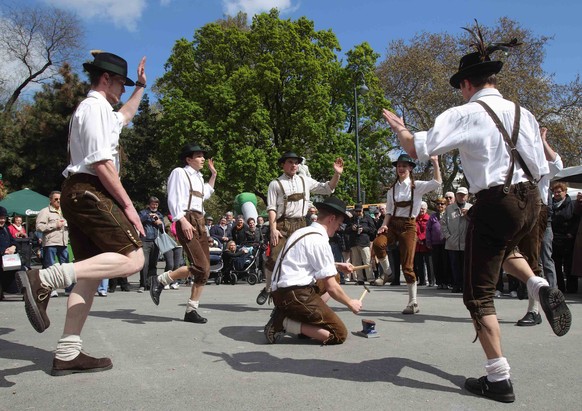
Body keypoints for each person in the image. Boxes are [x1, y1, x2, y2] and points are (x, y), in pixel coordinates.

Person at [382, 24, 571, 402]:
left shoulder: (466, 113)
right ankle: (540, 286)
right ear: (492, 79)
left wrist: (402, 131)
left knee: (478, 295)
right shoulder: (525, 113)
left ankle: (498, 378)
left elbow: (420, 148)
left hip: (496, 201)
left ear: (467, 84)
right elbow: (545, 168)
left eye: (460, 87)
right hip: (532, 201)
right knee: (507, 251)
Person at [17, 51, 147, 375]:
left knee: (89, 276)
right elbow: (102, 163)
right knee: (134, 259)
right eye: (121, 83)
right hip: (90, 189)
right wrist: (130, 207)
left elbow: (126, 116)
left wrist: (141, 88)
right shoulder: (95, 108)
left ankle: (67, 351)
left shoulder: (103, 110)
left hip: (81, 192)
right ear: (106, 79)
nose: (122, 89)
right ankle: (44, 278)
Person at [264, 196, 361, 344]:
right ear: (331, 219)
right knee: (338, 334)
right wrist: (351, 303)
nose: (339, 228)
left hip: (282, 292)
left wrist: (336, 265)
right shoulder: (319, 241)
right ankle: (284, 322)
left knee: (335, 276)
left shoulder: (304, 232)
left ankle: (301, 318)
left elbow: (302, 260)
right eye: (339, 224)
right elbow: (332, 288)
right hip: (294, 294)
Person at [255, 151, 344, 305]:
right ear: (283, 164)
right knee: (274, 258)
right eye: (290, 162)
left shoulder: (305, 180)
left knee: (303, 260)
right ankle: (268, 288)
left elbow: (327, 188)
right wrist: (273, 229)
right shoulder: (275, 184)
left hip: (301, 224)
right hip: (282, 224)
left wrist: (337, 174)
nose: (294, 165)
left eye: (296, 162)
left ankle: (299, 295)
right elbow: (271, 209)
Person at [149, 143, 217, 324]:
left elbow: (207, 193)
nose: (203, 158)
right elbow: (172, 198)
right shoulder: (180, 172)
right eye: (199, 155)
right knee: (201, 266)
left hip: (200, 222)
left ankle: (191, 310)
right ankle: (161, 280)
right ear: (189, 159)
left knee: (205, 270)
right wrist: (181, 219)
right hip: (186, 219)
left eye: (203, 155)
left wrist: (213, 175)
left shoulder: (198, 178)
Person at [371, 153, 441, 314]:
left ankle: (413, 302)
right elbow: (388, 211)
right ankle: (388, 273)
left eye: (404, 166)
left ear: (410, 168)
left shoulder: (417, 186)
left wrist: (435, 162)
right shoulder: (392, 189)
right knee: (378, 243)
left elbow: (437, 182)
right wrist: (383, 225)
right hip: (393, 224)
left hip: (409, 225)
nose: (401, 168)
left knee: (407, 265)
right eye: (398, 166)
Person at [516, 127, 563, 326]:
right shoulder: (516, 161)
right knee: (515, 255)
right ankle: (537, 295)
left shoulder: (541, 163)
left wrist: (542, 140)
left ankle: (536, 309)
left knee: (534, 258)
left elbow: (558, 165)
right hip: (519, 210)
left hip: (537, 210)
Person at [36, 191, 70, 297]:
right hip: (51, 243)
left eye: (60, 199)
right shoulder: (45, 212)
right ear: (50, 200)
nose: (58, 201)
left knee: (66, 266)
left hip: (63, 242)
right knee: (50, 267)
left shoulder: (64, 211)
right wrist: (55, 224)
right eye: (56, 199)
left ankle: (69, 288)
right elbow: (39, 227)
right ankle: (52, 288)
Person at [441, 187, 472, 293]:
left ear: (467, 196)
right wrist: (447, 236)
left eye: (463, 195)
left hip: (466, 242)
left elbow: (476, 223)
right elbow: (443, 223)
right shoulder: (449, 208)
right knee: (454, 265)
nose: (461, 197)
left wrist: (468, 215)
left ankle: (465, 285)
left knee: (465, 265)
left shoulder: (471, 208)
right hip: (452, 242)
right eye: (459, 194)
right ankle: (456, 284)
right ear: (456, 196)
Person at [551, 182, 579, 293]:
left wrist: (571, 233)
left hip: (568, 239)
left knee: (569, 265)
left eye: (559, 192)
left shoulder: (572, 204)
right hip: (554, 238)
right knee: (556, 265)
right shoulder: (551, 204)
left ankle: (572, 288)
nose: (557, 194)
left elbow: (576, 220)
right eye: (555, 192)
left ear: (565, 192)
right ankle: (560, 288)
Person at [137, 196, 164, 292]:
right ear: (149, 204)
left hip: (156, 241)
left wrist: (159, 223)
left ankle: (151, 284)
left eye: (156, 204)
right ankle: (142, 285)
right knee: (145, 263)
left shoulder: (159, 214)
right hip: (145, 240)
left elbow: (162, 229)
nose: (155, 206)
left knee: (153, 264)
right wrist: (148, 216)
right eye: (153, 204)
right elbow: (138, 221)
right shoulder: (143, 212)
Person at [347, 203, 376, 284]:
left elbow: (373, 229)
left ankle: (370, 278)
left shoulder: (367, 217)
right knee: (357, 262)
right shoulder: (352, 219)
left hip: (364, 242)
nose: (358, 213)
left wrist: (364, 229)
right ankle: (360, 279)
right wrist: (352, 228)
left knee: (367, 261)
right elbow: (346, 230)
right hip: (354, 242)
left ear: (362, 210)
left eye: (359, 211)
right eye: (356, 211)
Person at [426, 197, 449, 289]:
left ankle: (446, 282)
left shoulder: (447, 215)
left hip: (446, 243)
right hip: (435, 244)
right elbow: (428, 230)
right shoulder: (432, 216)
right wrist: (428, 241)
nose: (440, 205)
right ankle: (439, 282)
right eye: (438, 204)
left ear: (445, 205)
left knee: (445, 263)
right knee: (437, 263)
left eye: (442, 204)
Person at [414, 201, 433, 286]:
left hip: (426, 244)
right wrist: (417, 238)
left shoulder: (429, 218)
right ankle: (422, 280)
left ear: (426, 209)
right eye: (420, 208)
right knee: (419, 264)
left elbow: (428, 230)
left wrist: (420, 238)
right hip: (417, 245)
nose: (421, 210)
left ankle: (431, 280)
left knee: (429, 264)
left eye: (423, 208)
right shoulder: (415, 219)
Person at [1, 206, 18, 300]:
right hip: (2, 258)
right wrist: (4, 251)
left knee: (22, 269)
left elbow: (13, 241)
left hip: (8, 260)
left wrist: (13, 247)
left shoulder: (5, 228)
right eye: (0, 218)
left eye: (4, 218)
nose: (2, 220)